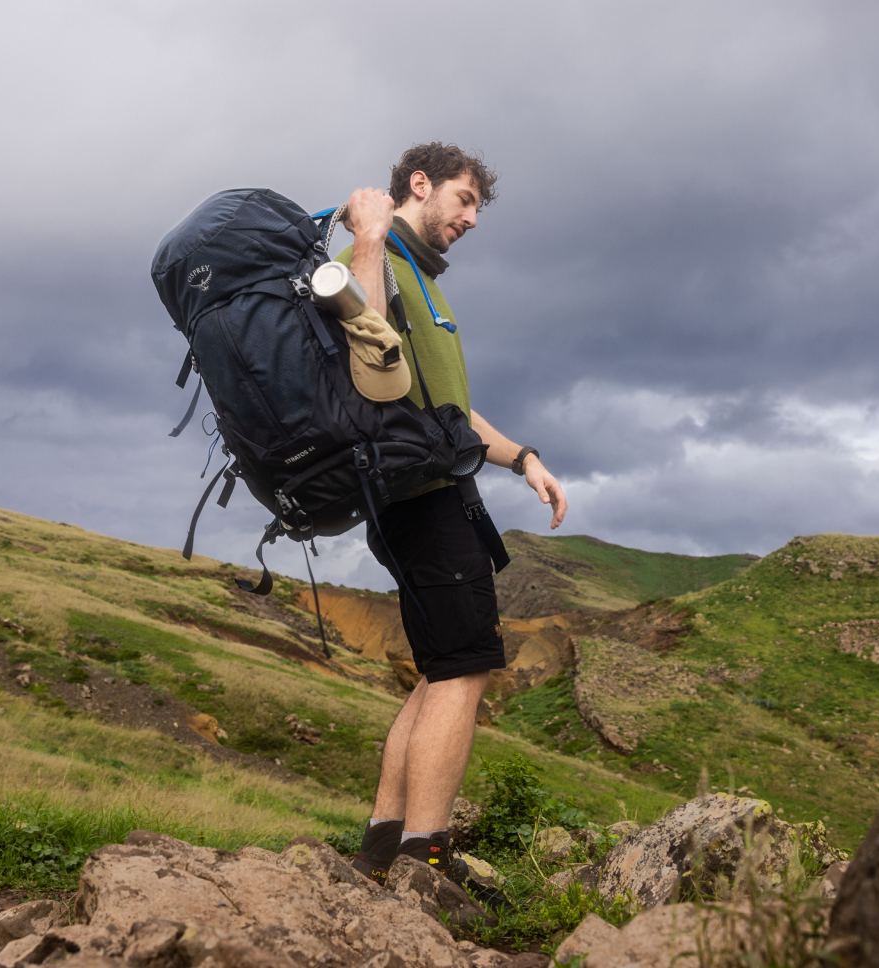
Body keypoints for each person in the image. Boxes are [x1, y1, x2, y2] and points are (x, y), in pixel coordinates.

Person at [336, 143, 568, 885]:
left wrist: (523, 457)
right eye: (463, 201)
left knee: (440, 673)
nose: (471, 218)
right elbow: (368, 358)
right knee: (465, 671)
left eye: (477, 208)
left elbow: (451, 410)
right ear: (420, 184)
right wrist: (369, 238)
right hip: (417, 496)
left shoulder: (422, 284)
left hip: (428, 489)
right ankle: (424, 856)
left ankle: (384, 845)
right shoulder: (375, 260)